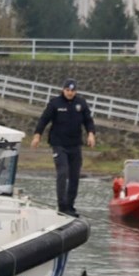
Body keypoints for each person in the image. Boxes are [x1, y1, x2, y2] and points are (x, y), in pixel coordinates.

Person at [30, 78, 95, 217]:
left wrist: (91, 134)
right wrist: (37, 135)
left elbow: (88, 120)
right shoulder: (55, 103)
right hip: (59, 144)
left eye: (72, 91)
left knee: (74, 176)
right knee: (63, 172)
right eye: (67, 90)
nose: (70, 93)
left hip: (75, 145)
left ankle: (70, 206)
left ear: (75, 91)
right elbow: (44, 119)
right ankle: (62, 206)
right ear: (63, 90)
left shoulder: (81, 103)